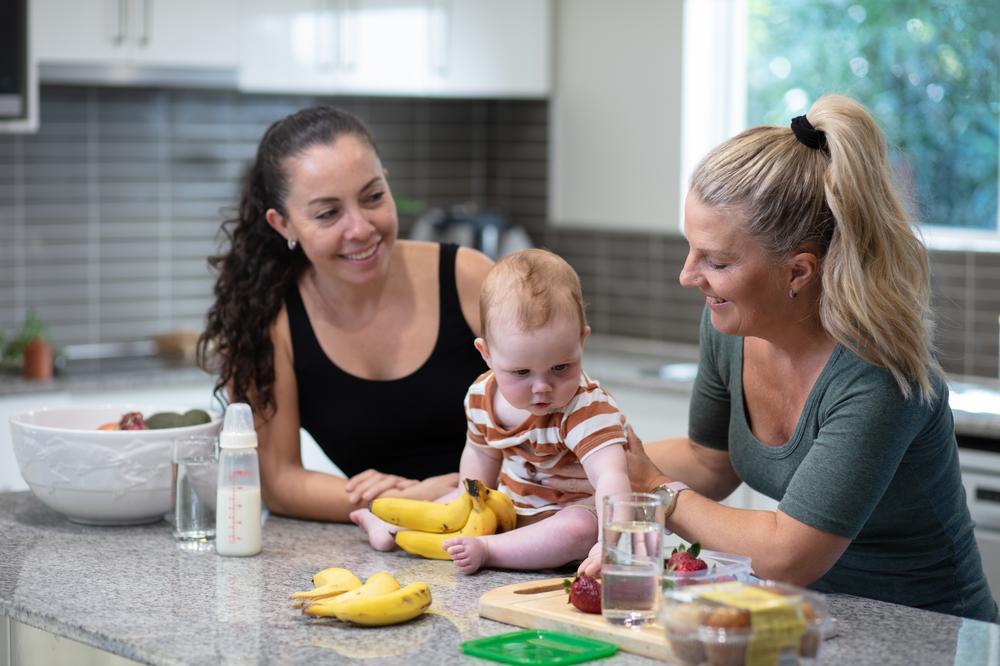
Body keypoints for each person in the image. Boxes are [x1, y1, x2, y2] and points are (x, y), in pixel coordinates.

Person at [574, 95, 997, 621]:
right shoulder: (729, 325)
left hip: (929, 631)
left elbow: (786, 554)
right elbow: (709, 460)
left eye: (717, 261)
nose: (687, 275)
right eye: (691, 248)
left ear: (798, 271)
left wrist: (656, 492)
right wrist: (579, 467)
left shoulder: (877, 377)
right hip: (814, 620)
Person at [198, 106, 492, 522]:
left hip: (515, 527)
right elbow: (279, 481)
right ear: (283, 225)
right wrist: (410, 502)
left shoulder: (469, 277)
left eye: (373, 197)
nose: (359, 228)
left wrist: (464, 489)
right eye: (327, 213)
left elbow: (565, 428)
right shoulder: (267, 318)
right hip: (388, 548)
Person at [352, 249, 634, 573]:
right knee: (448, 502)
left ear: (581, 342)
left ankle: (489, 550)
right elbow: (479, 453)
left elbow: (612, 477)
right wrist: (468, 503)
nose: (542, 387)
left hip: (568, 513)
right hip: (509, 508)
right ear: (486, 354)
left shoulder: (586, 408)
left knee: (577, 529)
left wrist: (612, 543)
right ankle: (385, 527)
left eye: (560, 367)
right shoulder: (480, 396)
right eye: (521, 373)